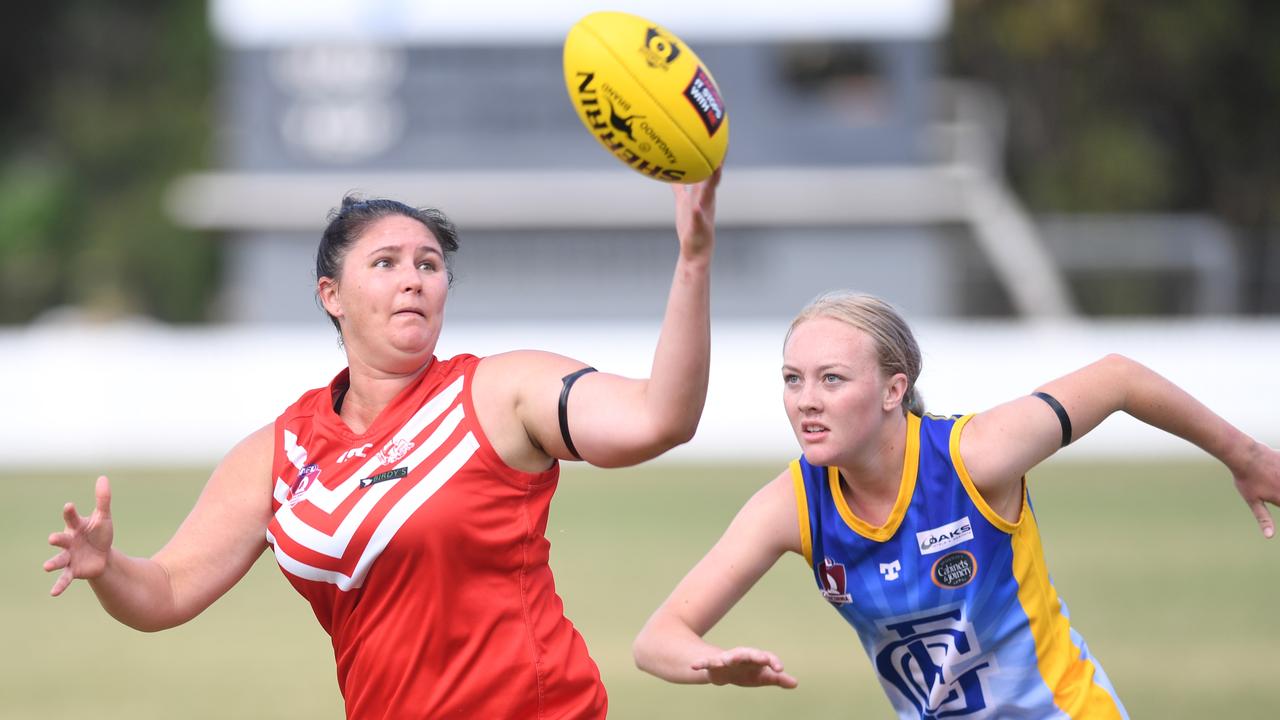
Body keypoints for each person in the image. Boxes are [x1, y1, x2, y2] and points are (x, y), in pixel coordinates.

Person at [43, 169, 720, 719]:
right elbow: (164, 593)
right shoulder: (281, 455)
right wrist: (109, 569)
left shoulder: (498, 393)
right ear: (331, 294)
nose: (414, 278)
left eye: (429, 264)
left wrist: (692, 263)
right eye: (387, 262)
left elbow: (660, 417)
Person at [633, 290, 1280, 719]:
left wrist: (1244, 456)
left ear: (894, 390)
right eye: (792, 379)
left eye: (832, 379)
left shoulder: (974, 458)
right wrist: (712, 666)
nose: (806, 399)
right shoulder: (793, 505)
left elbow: (1117, 377)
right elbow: (657, 640)